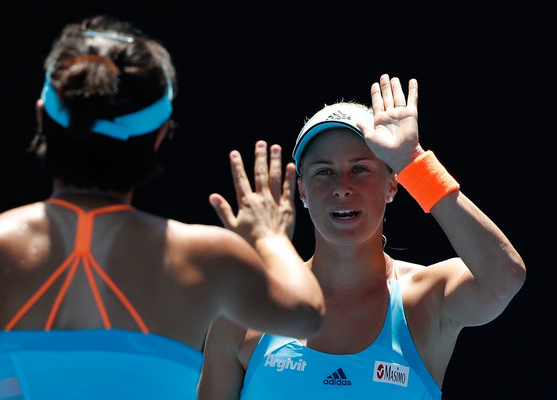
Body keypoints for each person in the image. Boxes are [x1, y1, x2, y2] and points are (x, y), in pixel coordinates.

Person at [0, 15, 325, 399]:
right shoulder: (207, 257)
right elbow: (307, 314)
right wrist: (270, 237)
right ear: (159, 137)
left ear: (41, 117)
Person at [199, 74, 526, 399]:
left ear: (393, 184)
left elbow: (504, 277)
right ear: (302, 190)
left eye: (360, 169)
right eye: (323, 171)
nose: (342, 187)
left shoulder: (424, 298)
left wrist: (415, 164)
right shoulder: (240, 312)